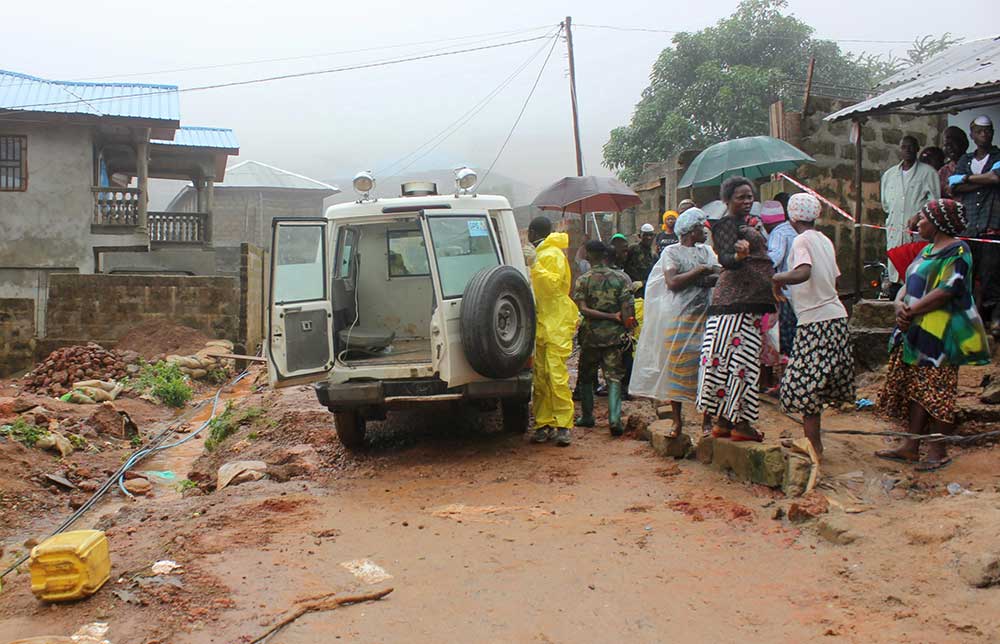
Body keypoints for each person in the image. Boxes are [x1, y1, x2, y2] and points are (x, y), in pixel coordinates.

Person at [875, 199, 991, 471]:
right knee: (918, 389)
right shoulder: (927, 250)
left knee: (939, 391)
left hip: (941, 335)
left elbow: (949, 289)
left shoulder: (958, 250)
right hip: (917, 330)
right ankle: (911, 446)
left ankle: (938, 451)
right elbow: (908, 281)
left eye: (923, 218)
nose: (918, 223)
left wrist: (911, 311)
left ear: (938, 223)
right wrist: (898, 304)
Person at [772, 194, 855, 459]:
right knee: (815, 384)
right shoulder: (824, 240)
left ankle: (814, 446)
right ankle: (811, 441)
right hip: (835, 317)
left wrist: (776, 278)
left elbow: (803, 271)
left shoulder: (801, 240)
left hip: (816, 322)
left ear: (791, 217)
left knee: (804, 384)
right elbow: (834, 279)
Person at [696, 177, 776, 442]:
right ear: (727, 200)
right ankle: (741, 424)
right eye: (741, 197)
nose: (747, 201)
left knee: (729, 362)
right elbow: (726, 259)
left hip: (741, 304)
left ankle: (723, 421)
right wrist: (740, 256)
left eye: (750, 196)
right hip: (736, 306)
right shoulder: (727, 224)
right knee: (741, 363)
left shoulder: (745, 224)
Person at [630, 208, 720, 438]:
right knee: (677, 369)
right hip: (680, 318)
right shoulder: (672, 252)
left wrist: (700, 277)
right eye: (700, 227)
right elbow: (672, 282)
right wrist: (700, 272)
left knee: (706, 370)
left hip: (705, 318)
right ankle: (677, 421)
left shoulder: (707, 251)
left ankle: (707, 420)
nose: (705, 232)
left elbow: (718, 275)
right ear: (689, 230)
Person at [573, 240, 635, 436]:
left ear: (589, 255)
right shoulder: (621, 278)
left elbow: (583, 309)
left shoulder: (583, 280)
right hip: (614, 337)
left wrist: (606, 316)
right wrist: (625, 325)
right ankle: (614, 419)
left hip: (590, 336)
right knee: (614, 377)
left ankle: (587, 416)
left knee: (586, 377)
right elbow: (627, 309)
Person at [527, 216, 579, 447]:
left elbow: (551, 286)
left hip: (556, 322)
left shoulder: (552, 254)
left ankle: (563, 425)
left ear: (532, 232)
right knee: (540, 378)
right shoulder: (543, 253)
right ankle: (543, 423)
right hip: (542, 322)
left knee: (556, 376)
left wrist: (535, 266)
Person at [949, 115, 1000, 336]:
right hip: (969, 227)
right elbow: (953, 187)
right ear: (972, 134)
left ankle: (995, 318)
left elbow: (996, 178)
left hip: (992, 225)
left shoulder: (998, 156)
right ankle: (970, 319)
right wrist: (982, 180)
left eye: (987, 131)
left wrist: (966, 179)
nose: (984, 135)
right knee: (968, 275)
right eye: (979, 131)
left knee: (991, 276)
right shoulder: (966, 159)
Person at [881, 135, 941, 285]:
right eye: (904, 147)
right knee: (895, 279)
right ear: (900, 150)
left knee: (917, 277)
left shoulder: (928, 173)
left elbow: (935, 203)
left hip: (917, 235)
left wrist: (919, 215)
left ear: (917, 149)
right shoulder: (889, 175)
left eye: (911, 147)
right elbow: (886, 205)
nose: (907, 150)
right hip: (895, 234)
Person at [763, 198, 798, 362]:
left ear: (766, 223)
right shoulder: (792, 230)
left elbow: (774, 259)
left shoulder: (778, 233)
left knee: (785, 335)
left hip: (784, 292)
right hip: (797, 290)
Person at [625, 223, 658, 295]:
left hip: (646, 290)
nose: (649, 238)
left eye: (651, 235)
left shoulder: (654, 256)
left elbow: (656, 276)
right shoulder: (632, 250)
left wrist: (642, 283)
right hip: (630, 289)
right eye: (645, 235)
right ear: (640, 236)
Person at [939, 126, 970, 198]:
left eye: (953, 143)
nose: (949, 147)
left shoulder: (973, 164)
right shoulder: (943, 171)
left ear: (963, 144)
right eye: (946, 145)